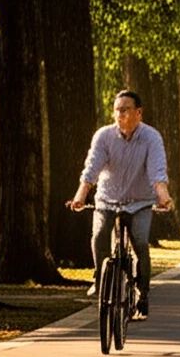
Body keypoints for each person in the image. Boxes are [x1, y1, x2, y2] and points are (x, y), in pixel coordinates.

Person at [67, 90, 173, 321]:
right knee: (99, 236)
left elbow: (157, 171)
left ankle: (142, 293)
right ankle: (100, 278)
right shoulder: (103, 136)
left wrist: (163, 197)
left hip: (140, 202)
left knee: (140, 242)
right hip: (107, 199)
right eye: (117, 110)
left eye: (125, 110)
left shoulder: (151, 137)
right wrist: (80, 196)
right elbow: (92, 168)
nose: (120, 114)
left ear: (139, 112)